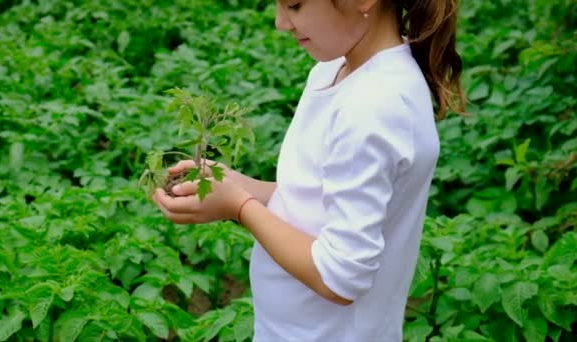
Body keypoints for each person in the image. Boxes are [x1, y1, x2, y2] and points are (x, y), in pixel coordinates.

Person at [153, 0, 465, 340]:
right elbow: (318, 200)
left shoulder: (372, 106)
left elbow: (341, 278)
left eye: (295, 6)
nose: (280, 23)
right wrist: (237, 186)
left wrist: (240, 207)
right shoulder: (336, 70)